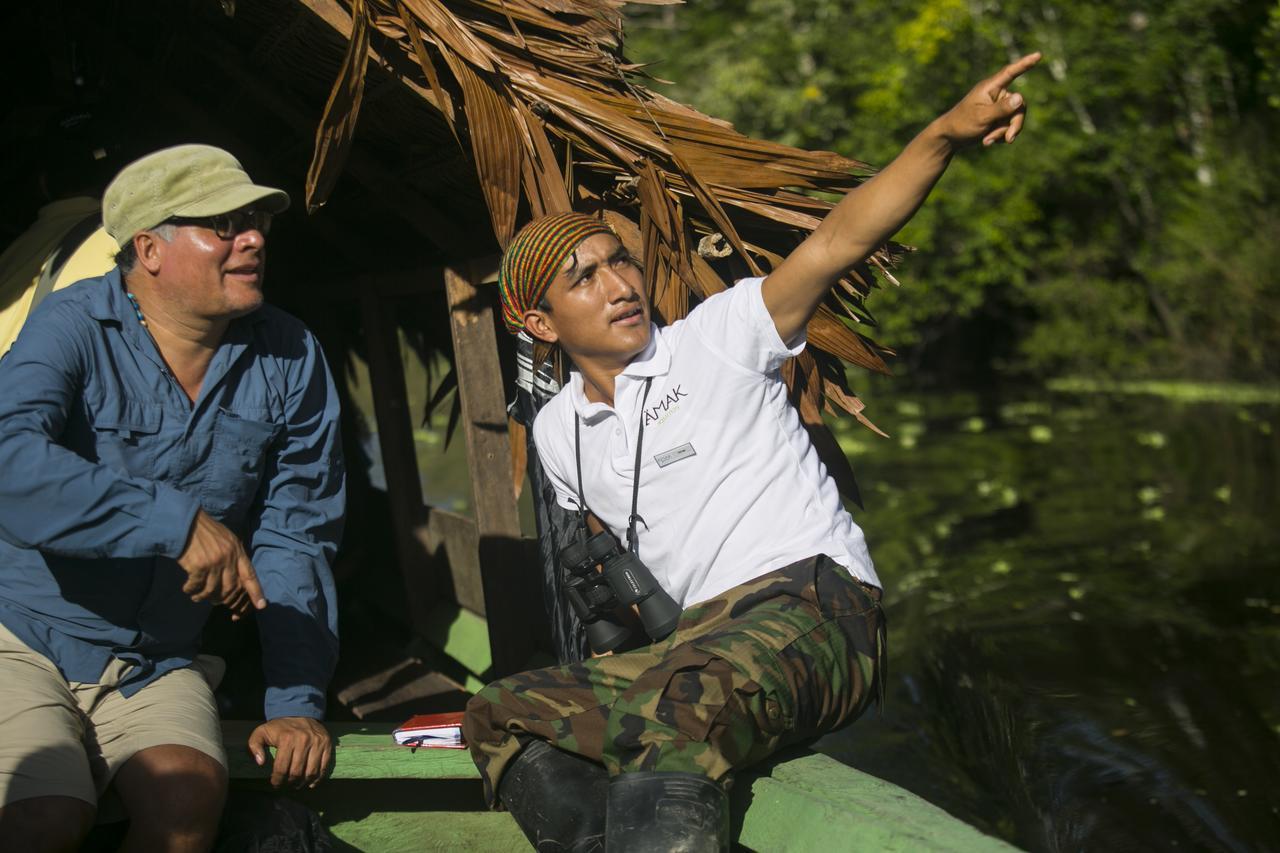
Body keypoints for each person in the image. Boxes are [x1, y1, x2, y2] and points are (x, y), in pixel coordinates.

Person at [463, 54, 1042, 851]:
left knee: (674, 718)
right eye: (583, 277)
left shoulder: (720, 336)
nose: (619, 282)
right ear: (540, 324)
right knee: (497, 713)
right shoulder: (559, 431)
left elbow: (839, 238)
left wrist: (944, 133)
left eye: (618, 260)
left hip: (816, 609)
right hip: (698, 646)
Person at [0, 144, 346, 853]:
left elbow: (297, 531)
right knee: (45, 814)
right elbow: (8, 459)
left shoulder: (289, 354)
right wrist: (173, 520)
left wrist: (293, 702)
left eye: (255, 222)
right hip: (19, 636)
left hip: (156, 657)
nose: (251, 238)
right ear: (150, 249)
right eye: (222, 224)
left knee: (186, 801)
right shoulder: (70, 326)